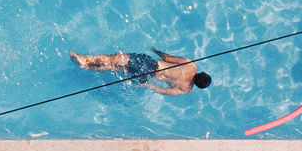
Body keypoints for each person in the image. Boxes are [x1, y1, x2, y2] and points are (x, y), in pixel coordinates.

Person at [70, 48, 212, 96]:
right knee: (115, 67)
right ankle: (86, 66)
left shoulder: (191, 66)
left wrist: (156, 51)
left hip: (151, 65)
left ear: (201, 73)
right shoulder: (186, 89)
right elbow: (165, 91)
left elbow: (168, 58)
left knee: (116, 59)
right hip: (148, 78)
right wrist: (148, 85)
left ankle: (85, 60)